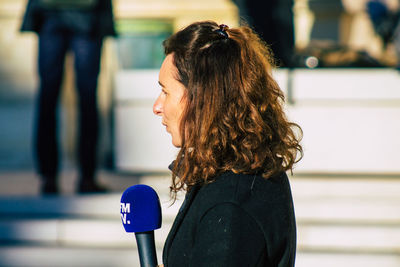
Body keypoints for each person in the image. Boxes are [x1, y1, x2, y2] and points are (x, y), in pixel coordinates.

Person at [153, 21, 303, 267]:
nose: (157, 107)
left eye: (166, 92)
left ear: (201, 97)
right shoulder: (234, 173)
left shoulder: (231, 204)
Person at [20, 0, 116, 194]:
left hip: (53, 14)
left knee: (50, 96)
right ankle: (86, 177)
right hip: (84, 14)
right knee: (86, 97)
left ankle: (49, 178)